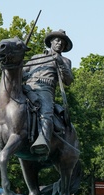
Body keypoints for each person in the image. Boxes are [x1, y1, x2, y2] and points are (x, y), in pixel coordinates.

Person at [22, 29, 74, 159]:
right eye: (57, 40)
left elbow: (68, 80)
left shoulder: (65, 61)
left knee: (46, 112)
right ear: (51, 41)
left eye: (62, 42)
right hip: (27, 87)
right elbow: (21, 72)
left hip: (45, 88)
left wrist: (60, 62)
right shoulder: (36, 57)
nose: (59, 44)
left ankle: (43, 140)